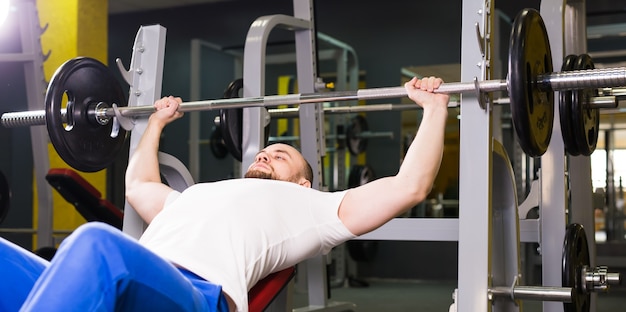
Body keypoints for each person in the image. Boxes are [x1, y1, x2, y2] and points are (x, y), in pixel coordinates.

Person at [0, 76, 449, 312]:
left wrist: (434, 108)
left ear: (303, 182)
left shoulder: (314, 207)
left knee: (96, 244)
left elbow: (410, 186)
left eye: (282, 154)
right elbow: (138, 186)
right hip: (138, 285)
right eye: (265, 152)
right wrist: (154, 123)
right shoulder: (197, 195)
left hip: (197, 298)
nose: (267, 155)